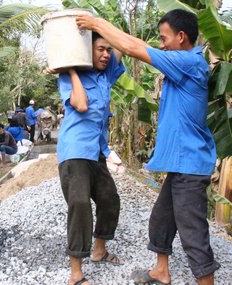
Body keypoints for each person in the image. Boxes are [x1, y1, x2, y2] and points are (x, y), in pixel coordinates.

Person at [76, 9, 220, 285]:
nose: (161, 44)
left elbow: (133, 47)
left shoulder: (188, 62)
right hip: (181, 164)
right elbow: (136, 45)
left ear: (181, 37)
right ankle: (161, 272)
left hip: (190, 165)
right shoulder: (182, 61)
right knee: (161, 221)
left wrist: (96, 23)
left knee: (193, 235)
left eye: (164, 38)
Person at [46, 31, 125, 285]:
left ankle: (99, 250)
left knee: (109, 199)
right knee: (79, 204)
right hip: (74, 152)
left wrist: (100, 29)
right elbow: (80, 105)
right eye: (99, 49)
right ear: (85, 51)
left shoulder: (105, 76)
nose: (105, 54)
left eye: (107, 50)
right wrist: (71, 69)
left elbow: (121, 45)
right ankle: (76, 274)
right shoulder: (67, 77)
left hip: (96, 152)